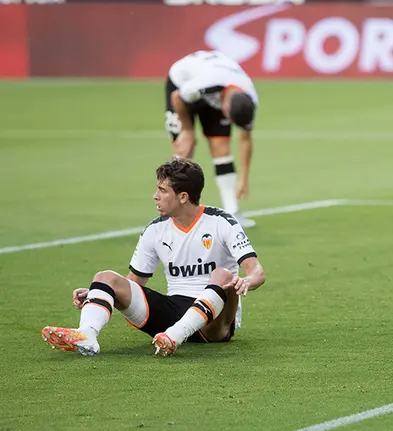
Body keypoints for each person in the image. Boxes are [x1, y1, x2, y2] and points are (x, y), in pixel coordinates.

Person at [42, 158, 266, 357]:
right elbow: (132, 284)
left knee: (223, 275)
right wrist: (99, 294)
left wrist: (246, 281)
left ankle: (174, 337)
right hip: (173, 312)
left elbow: (257, 271)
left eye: (162, 190)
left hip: (215, 324)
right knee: (105, 277)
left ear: (183, 197)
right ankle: (87, 336)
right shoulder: (155, 230)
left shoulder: (221, 221)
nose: (155, 196)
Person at [164, 50, 259, 228]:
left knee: (221, 147)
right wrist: (188, 129)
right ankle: (174, 214)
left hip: (220, 86)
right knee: (184, 149)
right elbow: (177, 98)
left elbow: (245, 138)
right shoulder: (200, 85)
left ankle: (233, 211)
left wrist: (244, 178)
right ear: (225, 106)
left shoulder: (250, 99)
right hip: (181, 84)